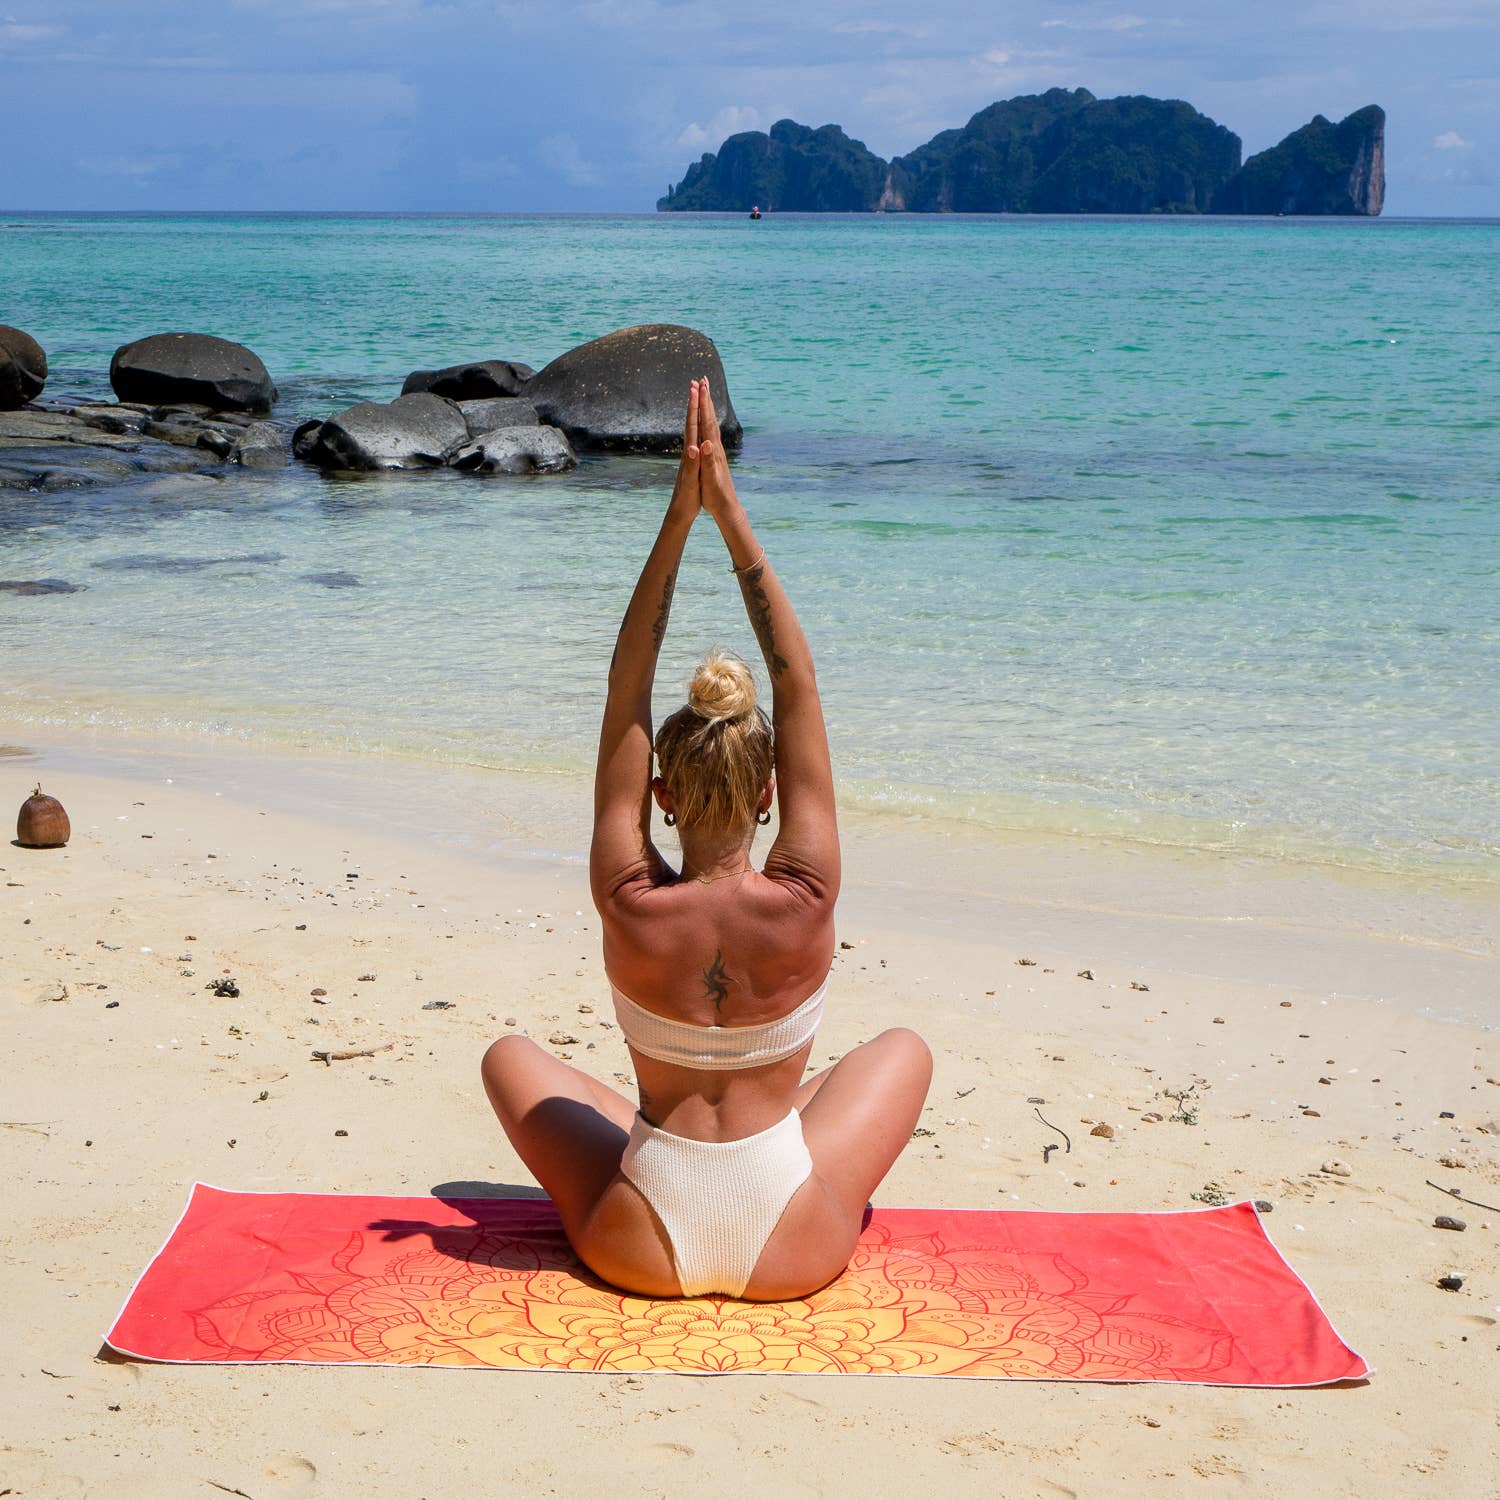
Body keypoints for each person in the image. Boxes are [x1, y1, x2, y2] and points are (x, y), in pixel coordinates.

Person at [481, 379, 931, 1300]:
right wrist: (729, 515)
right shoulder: (805, 893)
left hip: (635, 1240)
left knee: (508, 1057)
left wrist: (676, 522)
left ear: (660, 798)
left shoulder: (628, 896)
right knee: (903, 1050)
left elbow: (626, 689)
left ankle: (681, 1132)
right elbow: (796, 685)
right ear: (769, 793)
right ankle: (771, 1121)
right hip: (793, 1246)